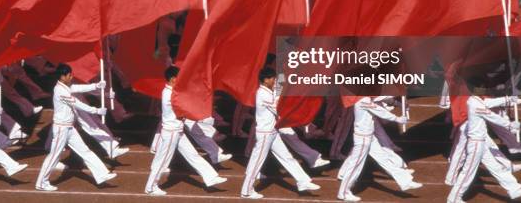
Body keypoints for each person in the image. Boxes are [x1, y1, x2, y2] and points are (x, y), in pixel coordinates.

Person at [144, 66, 227, 196]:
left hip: (177, 131)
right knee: (163, 160)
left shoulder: (170, 91)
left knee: (192, 155)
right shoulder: (170, 94)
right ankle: (150, 187)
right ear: (172, 79)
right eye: (179, 78)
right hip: (172, 132)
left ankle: (211, 177)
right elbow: (183, 110)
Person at [241, 68, 320, 199]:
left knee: (286, 157)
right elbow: (278, 108)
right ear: (266, 80)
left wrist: (285, 74)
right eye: (272, 78)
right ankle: (246, 191)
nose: (274, 80)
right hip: (265, 134)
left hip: (273, 132)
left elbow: (279, 91)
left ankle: (303, 181)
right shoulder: (262, 94)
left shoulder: (268, 91)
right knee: (257, 161)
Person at [35, 64, 116, 191]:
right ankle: (41, 182)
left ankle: (102, 174)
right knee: (54, 156)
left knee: (84, 150)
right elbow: (77, 103)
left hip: (69, 128)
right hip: (62, 128)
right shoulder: (60, 91)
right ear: (62, 76)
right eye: (69, 75)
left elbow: (78, 88)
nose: (72, 77)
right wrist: (96, 111)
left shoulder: (65, 86)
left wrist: (95, 86)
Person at [337, 97, 422, 202]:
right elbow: (379, 110)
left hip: (369, 136)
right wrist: (397, 118)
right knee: (355, 166)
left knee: (384, 158)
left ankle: (405, 181)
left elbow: (380, 99)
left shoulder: (365, 99)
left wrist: (396, 103)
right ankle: (343, 192)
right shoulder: (363, 101)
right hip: (363, 139)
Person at [447, 93, 521, 203]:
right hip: (475, 144)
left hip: (481, 142)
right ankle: (454, 198)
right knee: (468, 171)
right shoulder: (476, 104)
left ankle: (513, 188)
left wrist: (507, 99)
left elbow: (489, 103)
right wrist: (509, 125)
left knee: (495, 166)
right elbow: (491, 115)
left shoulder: (474, 100)